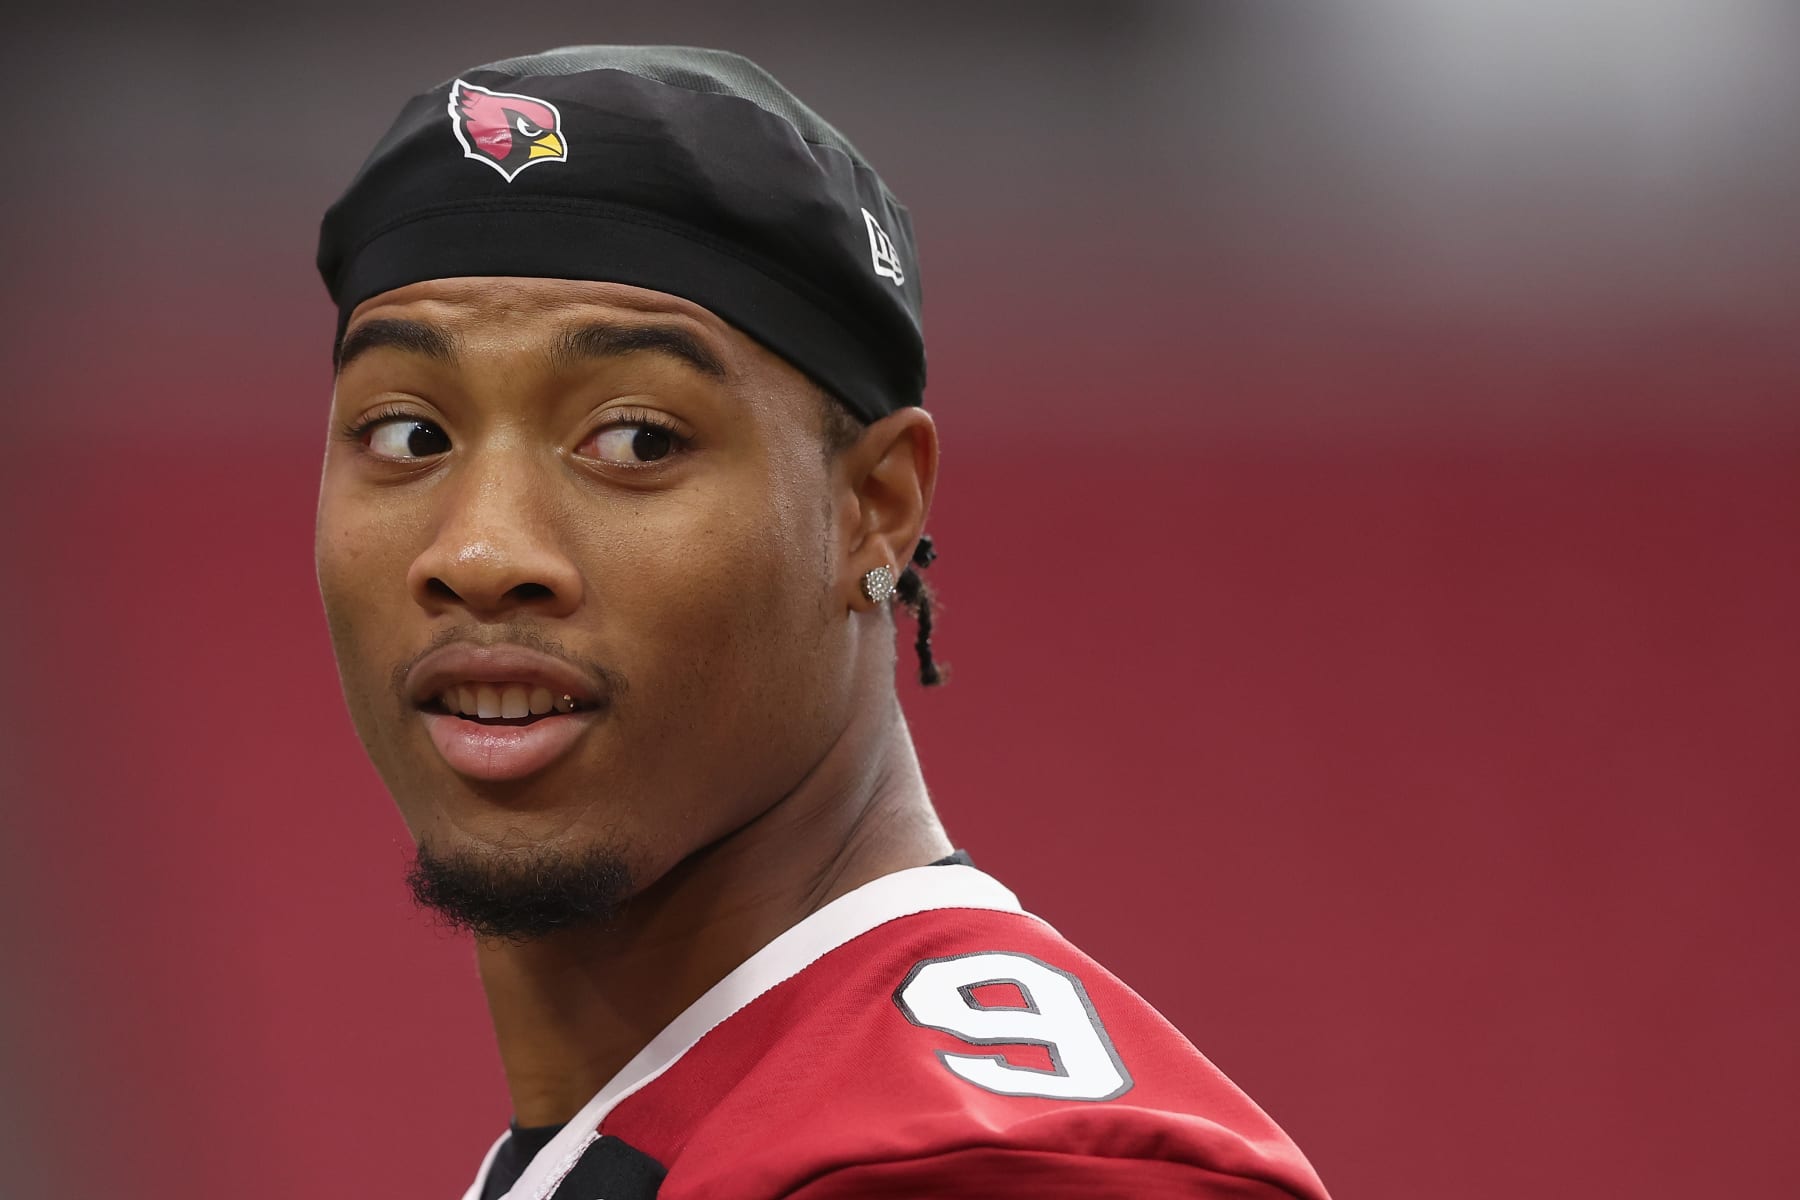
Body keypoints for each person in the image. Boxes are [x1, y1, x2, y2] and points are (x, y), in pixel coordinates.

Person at [314, 45, 1330, 1200]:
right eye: (408, 434)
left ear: (875, 511)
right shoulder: (684, 1131)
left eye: (637, 439)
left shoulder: (989, 1171)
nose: (482, 555)